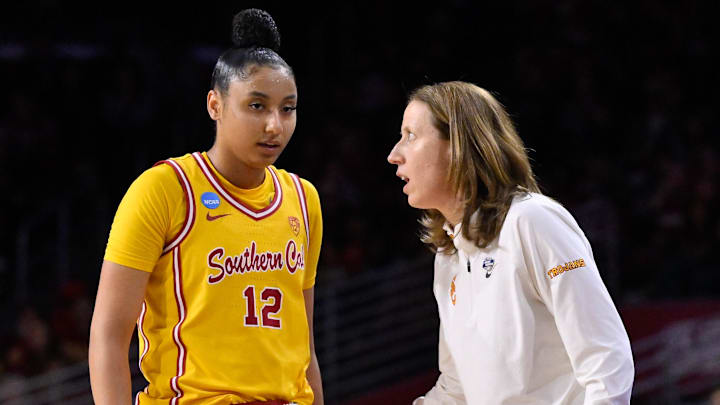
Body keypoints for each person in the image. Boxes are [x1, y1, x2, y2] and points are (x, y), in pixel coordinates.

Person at [89, 9, 324, 405]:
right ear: (215, 105)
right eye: (256, 106)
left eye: (288, 108)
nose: (274, 125)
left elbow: (305, 348)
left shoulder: (304, 199)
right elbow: (108, 338)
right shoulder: (163, 189)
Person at [387, 81, 634, 404]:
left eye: (411, 136)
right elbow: (457, 389)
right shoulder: (447, 257)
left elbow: (605, 359)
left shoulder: (532, 221)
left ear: (459, 145)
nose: (394, 155)